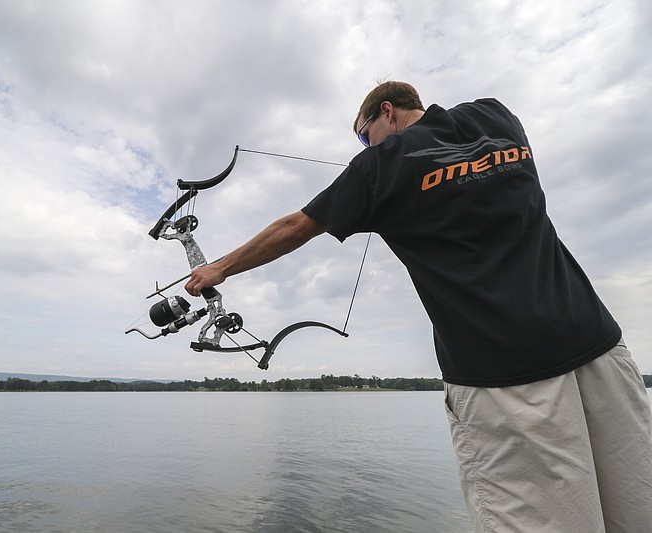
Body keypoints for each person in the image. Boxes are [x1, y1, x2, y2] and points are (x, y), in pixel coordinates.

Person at [184, 81, 652, 531]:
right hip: (600, 347)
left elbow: (294, 226)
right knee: (640, 504)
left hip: (505, 376)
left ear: (386, 111)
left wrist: (218, 269)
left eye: (365, 136)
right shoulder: (496, 116)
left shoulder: (380, 167)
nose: (366, 148)